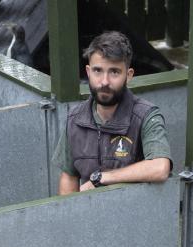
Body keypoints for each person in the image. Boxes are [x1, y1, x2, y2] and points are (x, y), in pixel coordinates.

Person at [52, 31, 172, 194]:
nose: (104, 82)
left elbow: (160, 167)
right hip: (91, 213)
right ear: (88, 72)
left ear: (128, 75)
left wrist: (103, 178)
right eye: (97, 71)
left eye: (114, 72)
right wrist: (68, 214)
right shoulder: (75, 119)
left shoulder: (146, 116)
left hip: (135, 213)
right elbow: (69, 177)